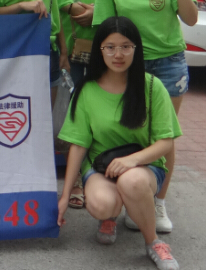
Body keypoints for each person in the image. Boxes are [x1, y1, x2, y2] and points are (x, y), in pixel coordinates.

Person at [93, 0, 198, 233]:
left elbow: (191, 18)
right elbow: (105, 31)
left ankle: (158, 201)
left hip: (168, 63)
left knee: (163, 136)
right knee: (126, 130)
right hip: (127, 65)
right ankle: (127, 196)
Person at [58, 16, 181, 270]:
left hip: (144, 166)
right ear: (99, 50)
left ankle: (153, 242)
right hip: (100, 167)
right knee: (102, 204)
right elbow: (78, 145)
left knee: (131, 181)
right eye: (110, 47)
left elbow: (165, 143)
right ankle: (110, 216)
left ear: (136, 48)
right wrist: (65, 195)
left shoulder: (152, 87)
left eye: (126, 46)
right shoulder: (86, 90)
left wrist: (131, 161)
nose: (118, 54)